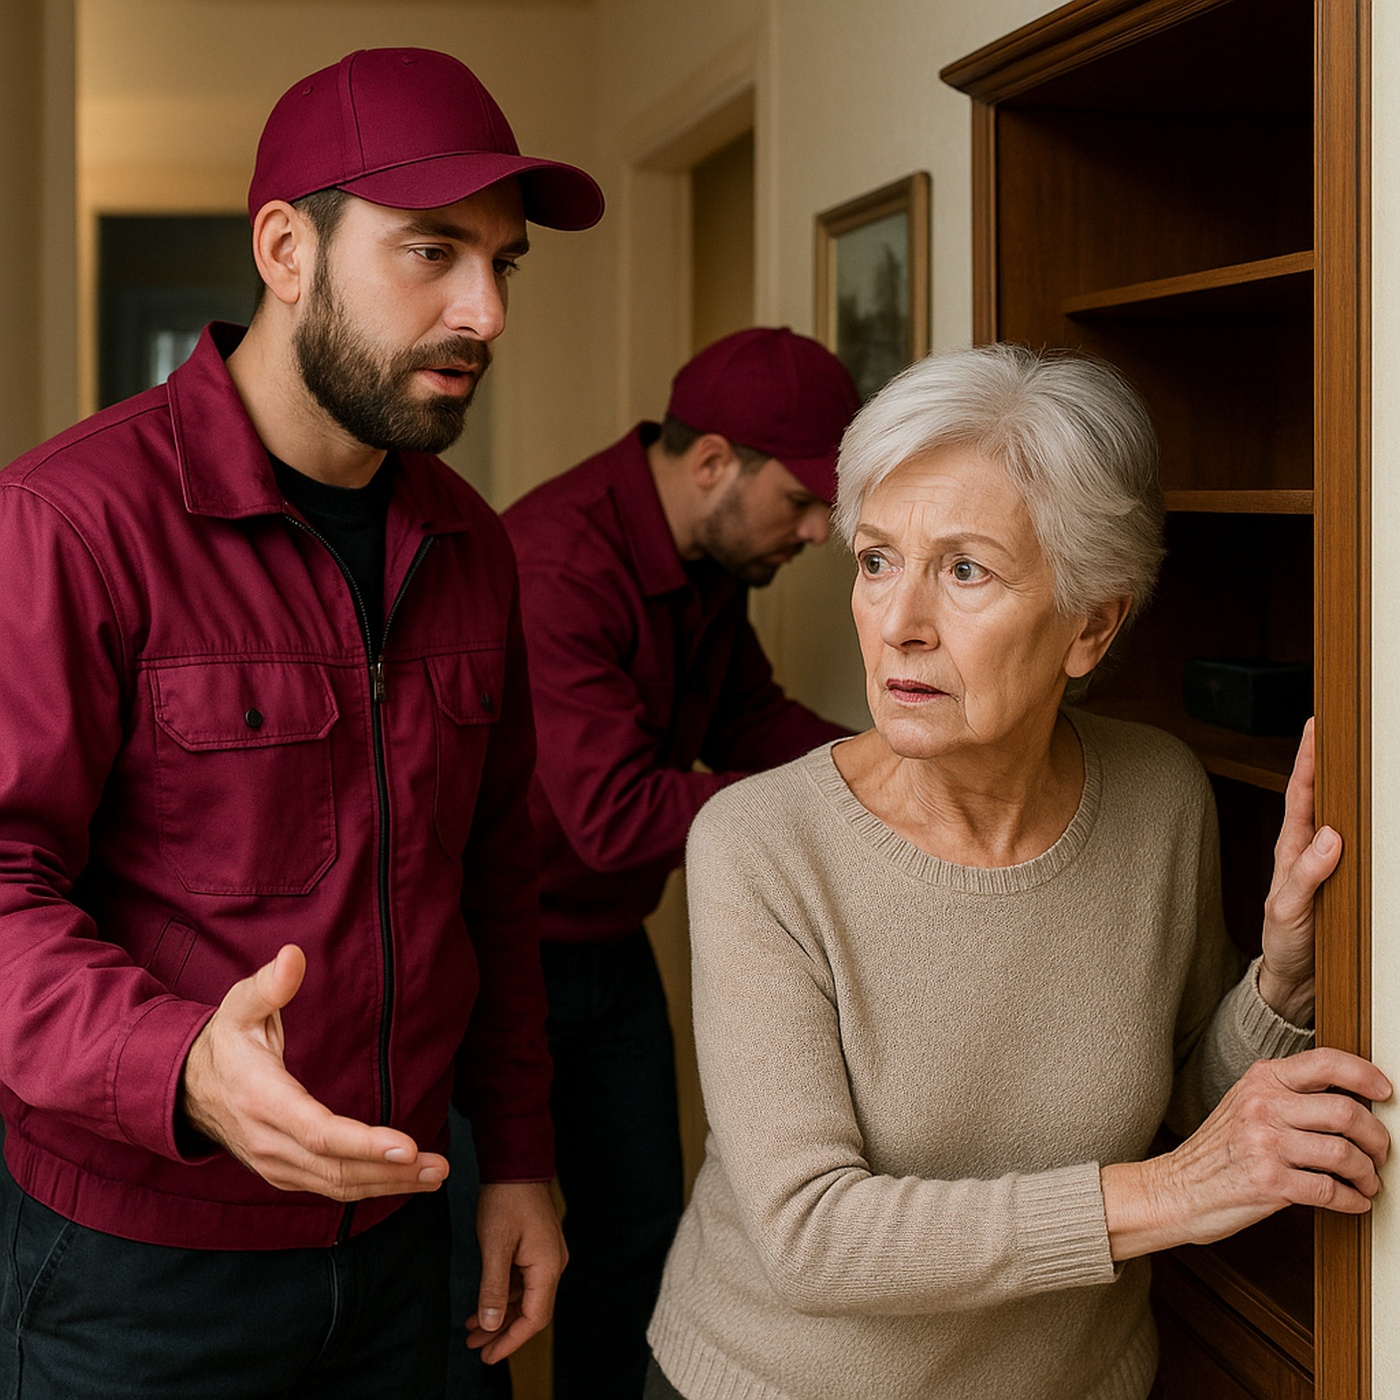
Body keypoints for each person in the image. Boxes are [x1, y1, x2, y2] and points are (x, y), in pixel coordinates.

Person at [0, 47, 604, 1399]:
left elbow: (494, 886)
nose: (485, 309)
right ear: (285, 248)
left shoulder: (476, 549)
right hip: (136, 1276)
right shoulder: (67, 526)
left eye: (505, 264)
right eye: (433, 252)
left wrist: (520, 1159)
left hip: (410, 1249)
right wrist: (182, 1069)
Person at [643, 344, 1392, 1400]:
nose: (899, 621)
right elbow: (809, 1234)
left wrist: (1278, 983)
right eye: (873, 560)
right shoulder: (756, 844)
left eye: (962, 569)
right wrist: (1172, 1191)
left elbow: (1183, 1090)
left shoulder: (1159, 794)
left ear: (1090, 624)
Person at [492, 327, 861, 1397]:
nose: (818, 528)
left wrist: (891, 761)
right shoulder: (560, 564)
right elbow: (613, 815)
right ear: (712, 464)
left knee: (643, 1228)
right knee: (488, 1259)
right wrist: (853, 802)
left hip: (608, 945)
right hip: (498, 962)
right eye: (800, 499)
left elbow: (751, 720)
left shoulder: (709, 566)